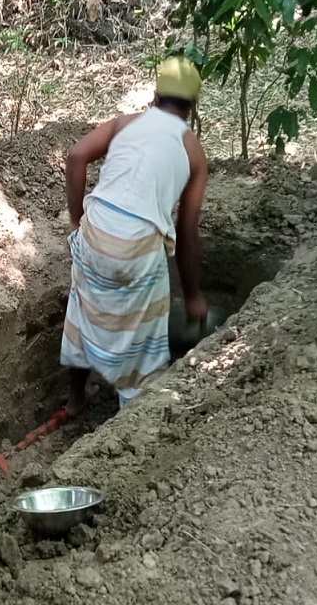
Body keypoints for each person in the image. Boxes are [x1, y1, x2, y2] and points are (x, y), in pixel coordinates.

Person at [61, 57, 209, 415]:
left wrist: (77, 219)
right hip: (137, 251)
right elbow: (187, 233)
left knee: (83, 310)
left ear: (155, 95)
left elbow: (76, 156)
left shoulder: (125, 123)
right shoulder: (193, 152)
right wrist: (193, 298)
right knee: (144, 340)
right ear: (191, 108)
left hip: (94, 235)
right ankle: (130, 419)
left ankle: (75, 399)